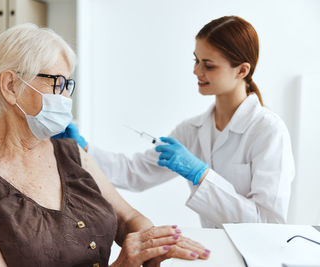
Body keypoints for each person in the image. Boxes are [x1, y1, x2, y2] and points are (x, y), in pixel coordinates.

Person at [0, 24, 210, 267]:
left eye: (68, 85)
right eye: (57, 83)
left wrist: (152, 243)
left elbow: (128, 219)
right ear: (11, 86)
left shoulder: (69, 152)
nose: (65, 97)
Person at [56, 16, 295, 228]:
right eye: (196, 60)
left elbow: (270, 223)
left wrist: (202, 176)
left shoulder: (268, 131)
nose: (196, 71)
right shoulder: (192, 130)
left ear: (242, 70)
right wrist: (83, 149)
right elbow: (134, 173)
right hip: (216, 250)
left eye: (208, 65)